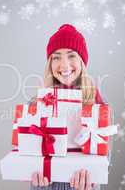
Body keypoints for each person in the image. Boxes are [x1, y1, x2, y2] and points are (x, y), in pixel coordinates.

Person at [29, 24, 112, 190]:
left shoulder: (98, 104)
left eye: (71, 55)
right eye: (56, 57)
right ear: (50, 63)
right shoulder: (36, 103)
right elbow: (25, 150)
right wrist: (35, 174)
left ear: (82, 61)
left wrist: (92, 178)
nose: (64, 65)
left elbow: (106, 158)